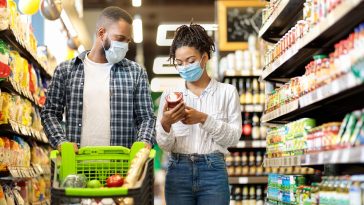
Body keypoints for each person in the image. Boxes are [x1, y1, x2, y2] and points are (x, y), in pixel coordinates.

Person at [41, 7, 156, 151]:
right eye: (120, 38)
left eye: (127, 41)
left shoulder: (136, 72)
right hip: (77, 165)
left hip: (121, 166)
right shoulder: (66, 71)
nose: (124, 46)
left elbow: (147, 118)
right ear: (102, 33)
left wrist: (144, 141)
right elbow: (50, 112)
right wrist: (61, 141)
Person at [156, 24, 242, 205]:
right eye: (179, 63)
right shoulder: (169, 95)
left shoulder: (227, 92)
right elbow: (165, 145)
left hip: (214, 172)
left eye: (190, 60)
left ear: (204, 58)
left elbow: (233, 139)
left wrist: (203, 119)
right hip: (178, 171)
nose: (185, 67)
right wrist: (165, 124)